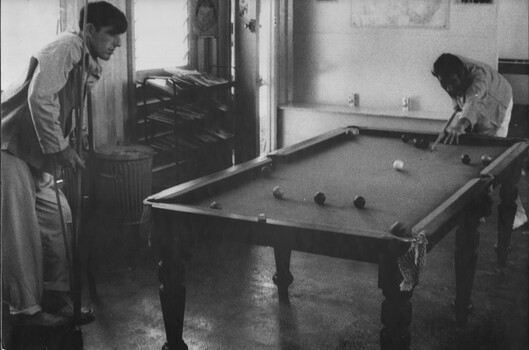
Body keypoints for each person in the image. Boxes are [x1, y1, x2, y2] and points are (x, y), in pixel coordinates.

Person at [1, 1, 128, 327]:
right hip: (9, 149)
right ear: (89, 31)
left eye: (119, 38)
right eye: (111, 35)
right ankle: (26, 312)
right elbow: (39, 97)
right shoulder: (67, 47)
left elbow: (65, 106)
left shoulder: (87, 60)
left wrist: (74, 139)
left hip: (33, 154)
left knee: (59, 218)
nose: (116, 44)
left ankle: (56, 296)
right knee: (22, 230)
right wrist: (60, 149)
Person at [432, 53, 527, 323]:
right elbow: (461, 98)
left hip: (499, 102)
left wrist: (462, 121)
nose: (448, 88)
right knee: (470, 146)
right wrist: (458, 109)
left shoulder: (479, 79)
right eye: (443, 84)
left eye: (452, 83)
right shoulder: (450, 75)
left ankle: (504, 208)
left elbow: (473, 99)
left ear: (461, 76)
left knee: (491, 157)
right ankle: (477, 194)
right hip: (475, 104)